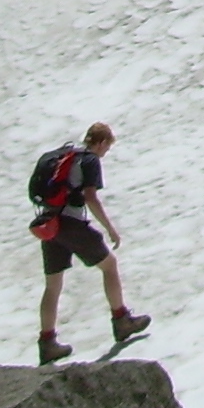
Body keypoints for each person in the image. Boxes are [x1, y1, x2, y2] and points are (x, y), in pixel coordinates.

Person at [34, 122, 150, 364]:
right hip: (71, 224)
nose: (105, 152)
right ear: (101, 142)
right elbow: (90, 197)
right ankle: (122, 321)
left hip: (50, 224)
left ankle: (47, 343)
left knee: (53, 285)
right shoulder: (89, 160)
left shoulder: (65, 153)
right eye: (107, 147)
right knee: (109, 266)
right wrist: (110, 229)